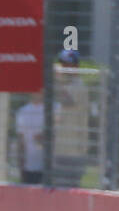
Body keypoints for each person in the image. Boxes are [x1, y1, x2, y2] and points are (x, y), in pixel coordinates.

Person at [52, 49, 89, 187]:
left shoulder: (78, 85)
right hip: (59, 148)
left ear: (76, 67)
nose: (65, 68)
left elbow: (68, 101)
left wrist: (55, 80)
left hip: (73, 150)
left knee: (69, 190)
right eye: (63, 64)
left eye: (69, 65)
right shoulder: (64, 85)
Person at [15, 91, 46, 184]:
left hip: (46, 166)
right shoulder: (23, 111)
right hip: (28, 165)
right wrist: (21, 164)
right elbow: (20, 140)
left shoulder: (52, 109)